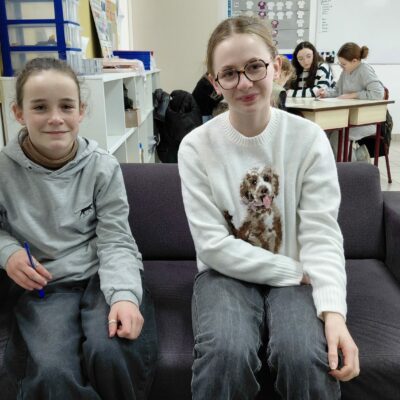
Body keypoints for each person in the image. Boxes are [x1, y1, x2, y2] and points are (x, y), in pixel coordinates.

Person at [178, 16, 359, 399]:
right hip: (229, 274)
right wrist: (291, 271)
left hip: (298, 278)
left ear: (276, 67)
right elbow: (212, 246)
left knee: (305, 356)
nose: (244, 82)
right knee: (225, 353)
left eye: (255, 67)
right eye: (229, 73)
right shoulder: (195, 147)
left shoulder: (309, 139)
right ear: (214, 83)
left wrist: (334, 313)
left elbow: (322, 233)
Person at [0, 58, 157, 399]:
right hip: (45, 286)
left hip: (101, 277)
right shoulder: (3, 170)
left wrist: (125, 296)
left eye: (66, 106)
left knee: (112, 350)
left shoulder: (103, 168)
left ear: (81, 111)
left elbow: (116, 239)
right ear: (18, 113)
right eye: (40, 107)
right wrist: (8, 252)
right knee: (52, 371)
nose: (55, 118)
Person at [319, 42, 385, 161]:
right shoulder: (346, 71)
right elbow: (338, 91)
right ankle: (346, 163)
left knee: (338, 135)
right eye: (340, 63)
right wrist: (326, 93)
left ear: (355, 61)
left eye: (343, 64)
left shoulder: (364, 70)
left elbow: (378, 93)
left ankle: (351, 168)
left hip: (368, 121)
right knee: (325, 131)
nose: (341, 66)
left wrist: (353, 95)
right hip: (349, 119)